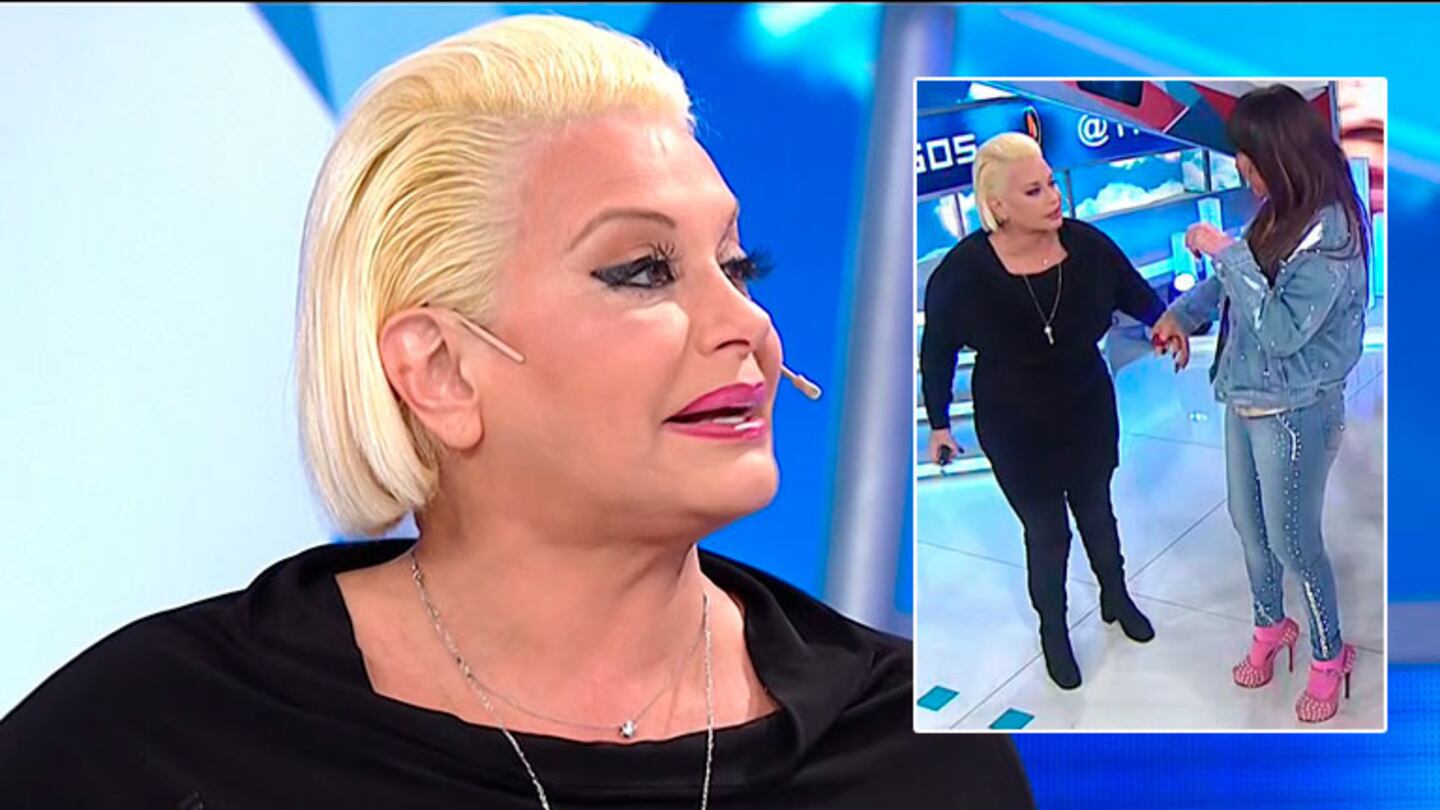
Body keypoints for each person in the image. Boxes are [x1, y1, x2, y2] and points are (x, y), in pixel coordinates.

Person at [0, 16, 1035, 807]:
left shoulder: (913, 758)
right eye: (643, 270)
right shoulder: (149, 746)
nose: (749, 330)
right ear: (440, 370)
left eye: (737, 265)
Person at [920, 132, 1179, 691]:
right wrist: (939, 423)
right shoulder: (962, 274)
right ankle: (1054, 634)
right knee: (1047, 532)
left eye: (1051, 182)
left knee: (1097, 512)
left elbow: (1133, 291)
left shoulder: (1086, 246)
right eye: (1034, 191)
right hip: (1015, 425)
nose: (1054, 197)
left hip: (1086, 406)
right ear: (998, 205)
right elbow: (937, 350)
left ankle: (1115, 597)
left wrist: (1164, 322)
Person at [1154, 83, 1371, 724]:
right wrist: (1179, 314)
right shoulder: (1276, 212)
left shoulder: (1331, 234)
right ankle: (1270, 624)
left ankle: (1330, 655)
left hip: (1296, 411)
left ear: (1281, 154)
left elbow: (1278, 329)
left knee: (1294, 542)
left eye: (1250, 161)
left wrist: (1224, 253)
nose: (1243, 173)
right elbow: (1235, 286)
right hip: (1243, 399)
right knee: (1249, 529)